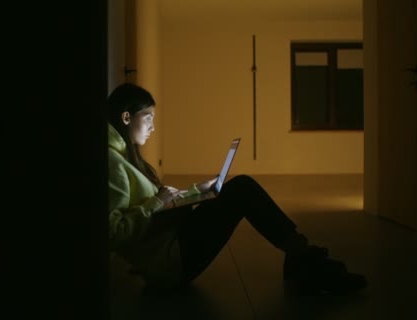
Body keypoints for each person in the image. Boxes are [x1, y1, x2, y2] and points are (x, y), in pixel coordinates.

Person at [107, 82, 367, 295]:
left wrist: (197, 190)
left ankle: (300, 255)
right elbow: (113, 234)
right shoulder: (112, 162)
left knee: (236, 188)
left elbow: (157, 205)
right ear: (126, 117)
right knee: (241, 188)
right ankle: (303, 258)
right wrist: (157, 203)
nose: (152, 127)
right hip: (169, 262)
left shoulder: (126, 156)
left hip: (172, 242)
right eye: (148, 118)